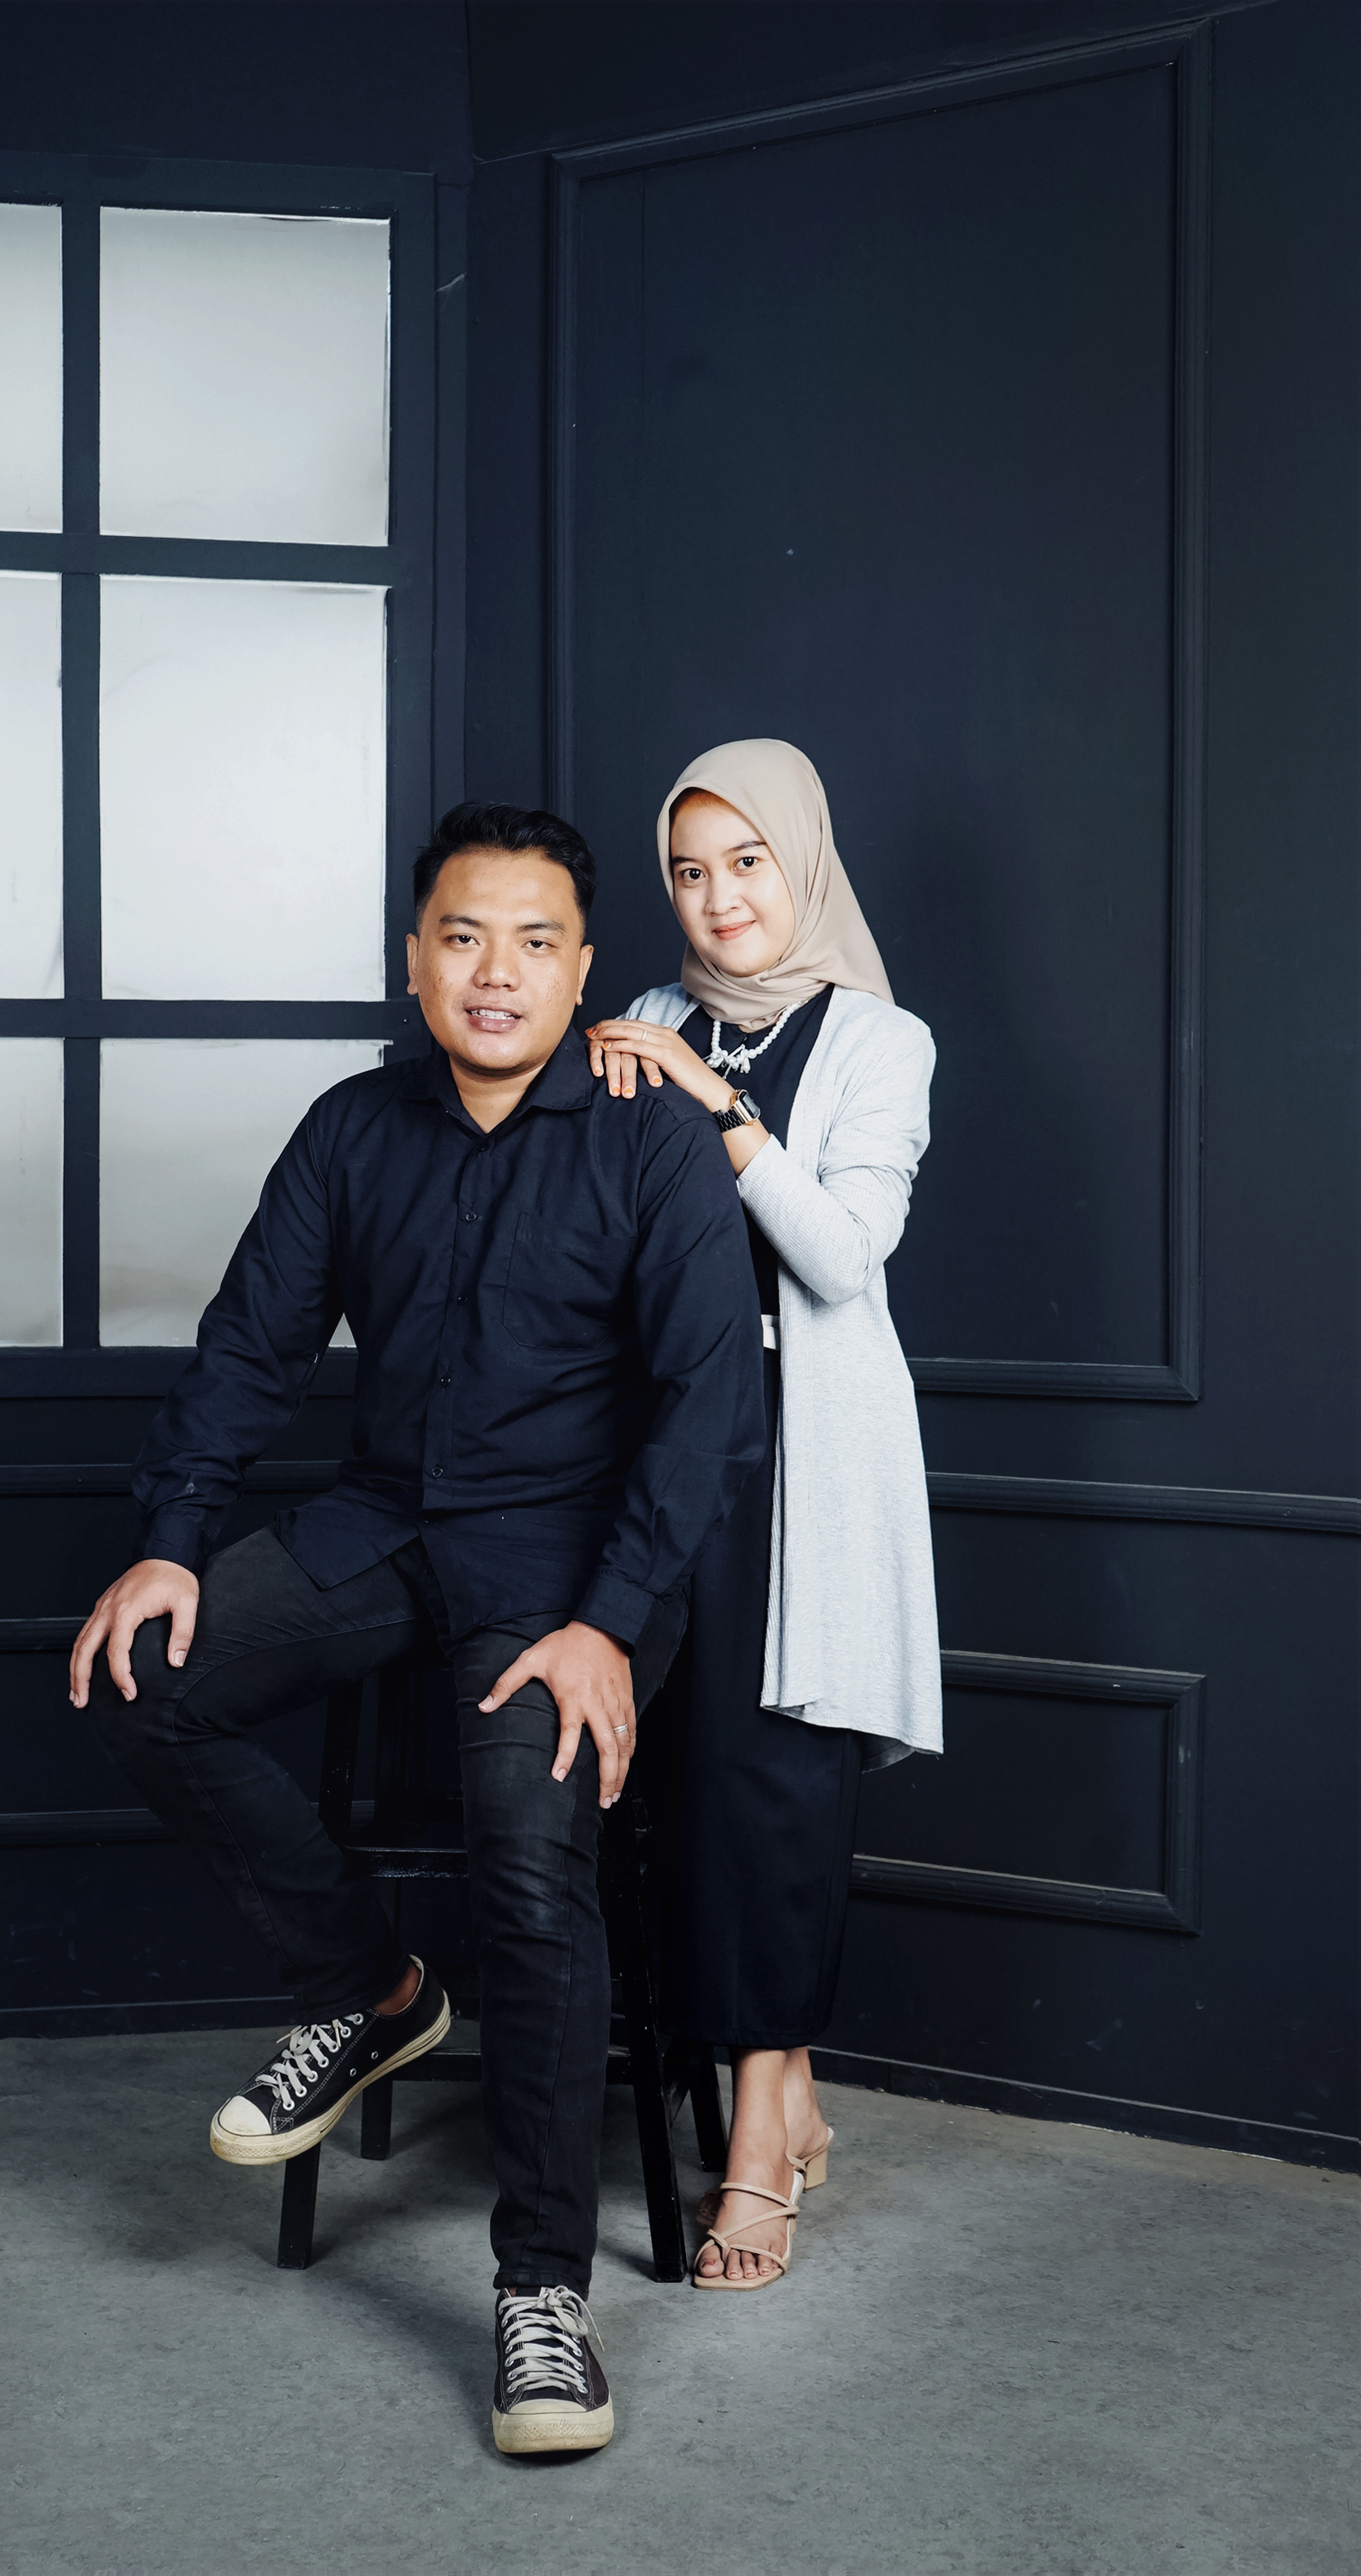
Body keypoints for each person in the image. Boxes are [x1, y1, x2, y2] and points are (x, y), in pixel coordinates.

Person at [69, 802, 764, 2450]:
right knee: (141, 1684)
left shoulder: (650, 1139)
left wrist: (610, 1625)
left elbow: (708, 1408)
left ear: (584, 972)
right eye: (463, 937)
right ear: (414, 960)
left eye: (534, 943)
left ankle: (542, 2295)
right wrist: (171, 1545)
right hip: (386, 1527)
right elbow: (250, 1345)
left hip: (568, 1573)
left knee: (528, 1861)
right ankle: (375, 1989)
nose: (495, 973)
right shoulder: (351, 1127)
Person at [585, 739, 940, 2292]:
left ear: (802, 863)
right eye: (688, 870)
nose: (719, 898)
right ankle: (782, 2098)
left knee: (775, 1781)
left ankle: (753, 2149)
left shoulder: (881, 1040)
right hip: (666, 1433)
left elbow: (845, 1257)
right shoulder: (647, 1014)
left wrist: (715, 1105)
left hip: (807, 1448)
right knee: (674, 1775)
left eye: (747, 862)